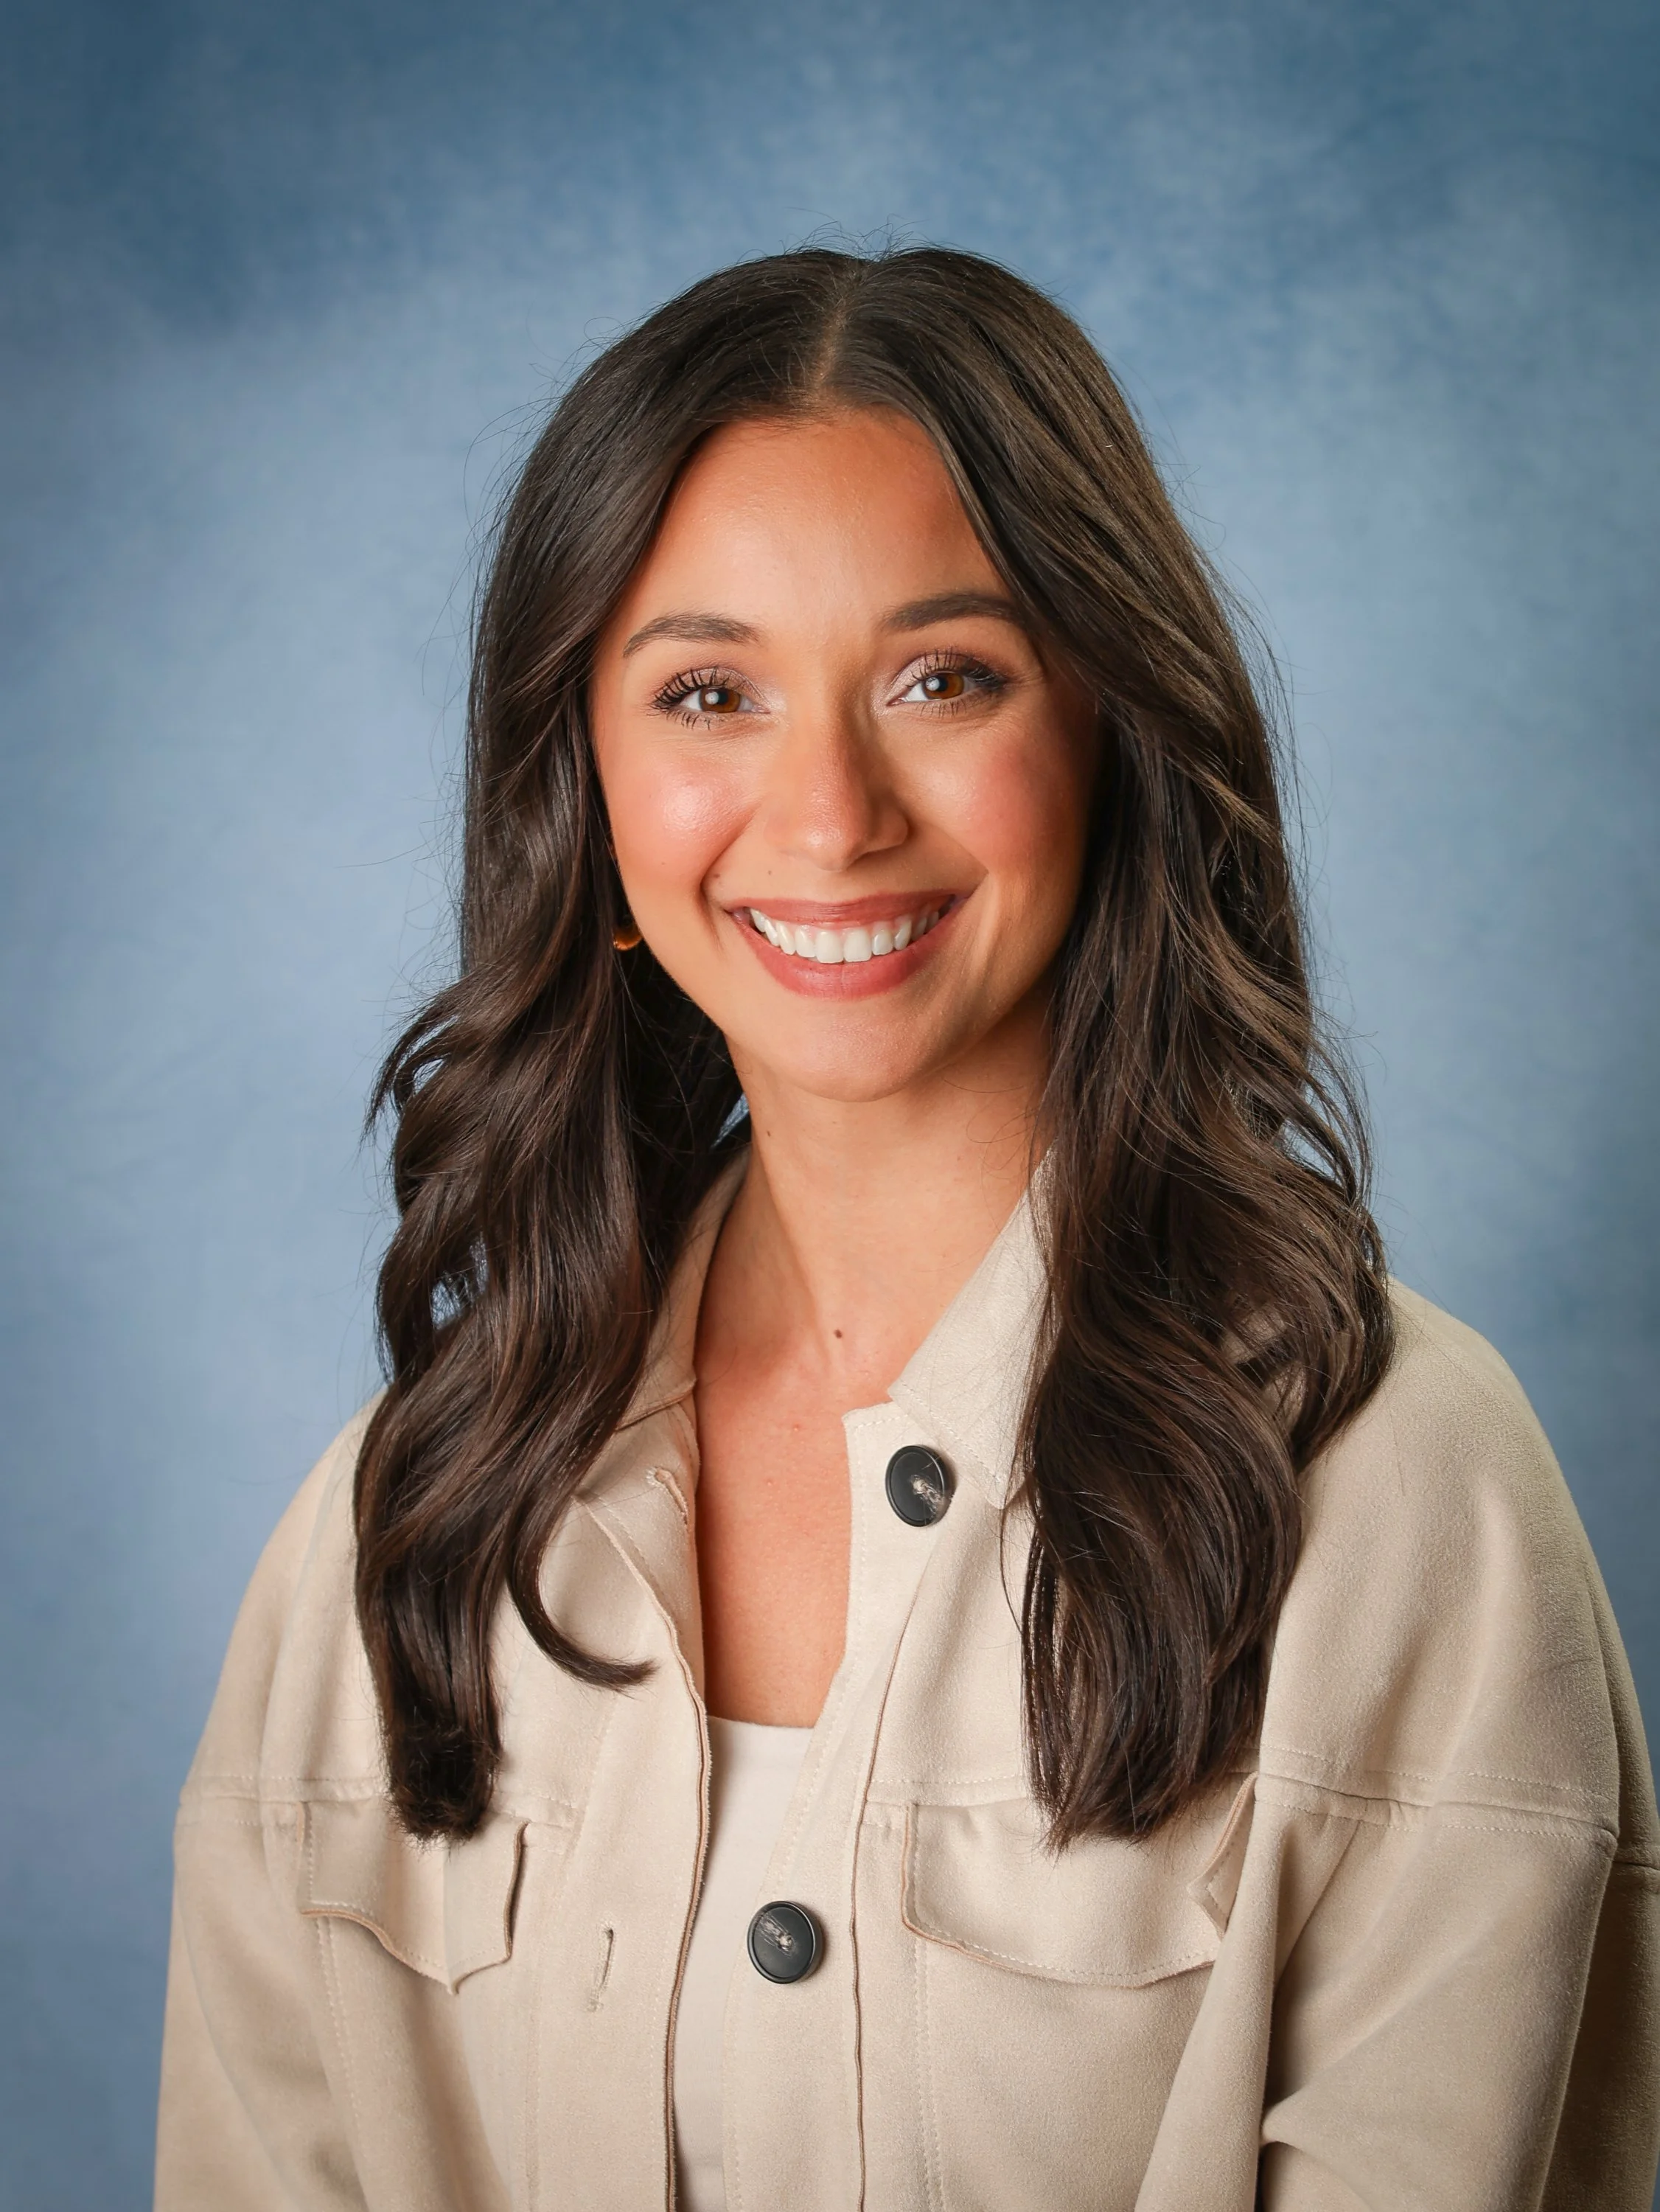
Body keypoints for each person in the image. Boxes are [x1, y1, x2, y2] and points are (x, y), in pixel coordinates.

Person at [155, 247, 1659, 2212]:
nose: (829, 808)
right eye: (709, 692)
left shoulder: (1398, 1497)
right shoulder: (411, 1522)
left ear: (1109, 728)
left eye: (941, 677)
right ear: (582, 789)